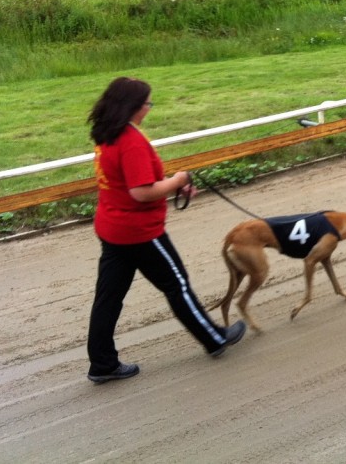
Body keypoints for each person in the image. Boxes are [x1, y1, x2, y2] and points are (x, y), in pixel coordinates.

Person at [85, 77, 245, 384]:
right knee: (177, 285)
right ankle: (214, 338)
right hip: (139, 231)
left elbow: (131, 185)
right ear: (133, 106)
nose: (149, 108)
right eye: (147, 103)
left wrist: (171, 186)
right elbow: (141, 192)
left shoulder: (107, 132)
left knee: (108, 298)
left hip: (112, 226)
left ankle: (102, 363)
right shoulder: (130, 142)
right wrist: (178, 180)